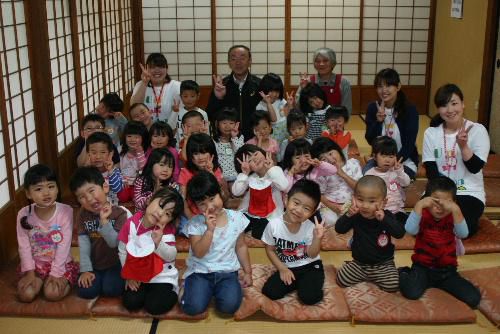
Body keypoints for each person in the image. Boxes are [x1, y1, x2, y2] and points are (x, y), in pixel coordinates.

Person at [399, 176, 481, 308]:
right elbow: (410, 230)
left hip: (447, 272)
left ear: (454, 203)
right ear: (427, 200)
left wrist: (455, 209)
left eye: (446, 203)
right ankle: (404, 272)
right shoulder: (423, 214)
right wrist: (419, 205)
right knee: (411, 292)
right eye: (435, 202)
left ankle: (440, 283)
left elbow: (463, 234)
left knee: (473, 299)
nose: (440, 208)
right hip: (422, 268)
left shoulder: (453, 216)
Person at [180, 171, 252, 316]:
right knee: (192, 307)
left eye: (212, 199)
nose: (210, 206)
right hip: (200, 272)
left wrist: (248, 271)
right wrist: (209, 231)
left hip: (227, 272)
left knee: (229, 307)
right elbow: (199, 253)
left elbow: (241, 246)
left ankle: (215, 290)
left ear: (220, 192)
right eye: (202, 204)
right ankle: (185, 288)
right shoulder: (195, 224)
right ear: (196, 206)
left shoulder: (236, 218)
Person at [422, 84, 490, 237]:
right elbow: (431, 170)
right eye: (444, 105)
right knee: (422, 223)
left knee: (464, 229)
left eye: (454, 103)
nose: (450, 110)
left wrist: (464, 146)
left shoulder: (477, 130)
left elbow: (475, 167)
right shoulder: (431, 133)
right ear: (439, 109)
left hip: (469, 191)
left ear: (463, 104)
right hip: (439, 190)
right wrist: (443, 198)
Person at [16, 164, 77, 302]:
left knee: (52, 294)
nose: (46, 193)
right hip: (36, 266)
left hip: (60, 264)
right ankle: (40, 282)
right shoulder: (23, 214)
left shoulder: (66, 211)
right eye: (38, 189)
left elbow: (64, 245)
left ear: (57, 188)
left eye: (51, 186)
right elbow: (23, 246)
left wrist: (56, 273)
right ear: (28, 193)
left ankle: (56, 282)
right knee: (26, 295)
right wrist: (30, 273)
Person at [118, 187, 184, 315]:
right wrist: (129, 275)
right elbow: (122, 251)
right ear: (149, 200)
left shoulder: (166, 230)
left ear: (170, 220)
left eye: (167, 214)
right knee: (131, 303)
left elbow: (171, 256)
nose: (160, 213)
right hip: (138, 275)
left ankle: (176, 291)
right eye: (160, 206)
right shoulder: (131, 223)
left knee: (154, 307)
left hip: (161, 276)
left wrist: (158, 243)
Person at [335, 175, 405, 292]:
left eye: (372, 201)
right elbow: (339, 229)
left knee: (393, 285)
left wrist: (384, 220)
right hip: (359, 264)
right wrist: (348, 215)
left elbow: (400, 233)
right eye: (360, 200)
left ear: (384, 202)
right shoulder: (355, 215)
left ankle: (392, 271)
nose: (365, 205)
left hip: (383, 264)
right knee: (342, 279)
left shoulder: (386, 216)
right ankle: (354, 268)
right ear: (354, 198)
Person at [261, 179, 325, 305]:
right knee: (270, 292)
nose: (299, 210)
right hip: (288, 267)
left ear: (312, 213)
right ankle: (299, 283)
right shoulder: (273, 225)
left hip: (310, 266)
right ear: (286, 200)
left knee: (310, 297)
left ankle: (306, 282)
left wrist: (317, 238)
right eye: (296, 203)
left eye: (306, 208)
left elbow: (312, 254)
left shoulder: (310, 227)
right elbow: (270, 250)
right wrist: (282, 268)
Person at [69, 166, 127, 300]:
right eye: (81, 197)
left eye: (91, 191)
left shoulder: (119, 213)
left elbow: (114, 243)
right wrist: (85, 270)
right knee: (86, 291)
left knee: (111, 289)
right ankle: (96, 278)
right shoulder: (83, 215)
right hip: (95, 265)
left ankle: (107, 280)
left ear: (105, 187)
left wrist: (104, 222)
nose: (89, 199)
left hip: (116, 263)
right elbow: (84, 246)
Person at [364, 68, 419, 179]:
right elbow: (370, 139)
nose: (384, 90)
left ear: (398, 86)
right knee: (366, 175)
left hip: (403, 160)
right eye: (380, 86)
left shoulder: (409, 110)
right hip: (379, 161)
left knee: (394, 178)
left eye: (388, 85)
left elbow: (409, 144)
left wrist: (392, 163)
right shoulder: (373, 108)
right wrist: (378, 121)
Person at [233, 144, 289, 239]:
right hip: (252, 214)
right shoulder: (251, 178)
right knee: (236, 224)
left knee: (263, 231)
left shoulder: (274, 171)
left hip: (271, 216)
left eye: (255, 154)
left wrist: (271, 168)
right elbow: (236, 192)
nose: (255, 159)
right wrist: (244, 174)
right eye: (250, 160)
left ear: (262, 152)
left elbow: (284, 186)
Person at [206, 45, 261, 141]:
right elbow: (210, 115)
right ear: (229, 62)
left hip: (254, 139)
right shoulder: (222, 85)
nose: (238, 62)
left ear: (250, 61)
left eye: (242, 58)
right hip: (227, 140)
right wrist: (218, 98)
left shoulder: (259, 85)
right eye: (233, 59)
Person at [311, 137, 362, 227]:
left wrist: (342, 174)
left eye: (331, 153)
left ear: (338, 150)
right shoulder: (322, 173)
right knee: (331, 221)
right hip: (331, 205)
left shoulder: (353, 164)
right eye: (323, 159)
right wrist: (332, 206)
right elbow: (320, 194)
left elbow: (360, 189)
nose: (330, 160)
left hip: (352, 203)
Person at [178, 133, 227, 218]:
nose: (200, 157)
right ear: (190, 156)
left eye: (204, 152)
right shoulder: (185, 173)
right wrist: (194, 222)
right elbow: (184, 202)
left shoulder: (216, 171)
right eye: (196, 153)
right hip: (194, 217)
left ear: (212, 153)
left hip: (216, 214)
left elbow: (224, 197)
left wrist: (211, 174)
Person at [365, 136, 411, 225]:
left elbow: (406, 183)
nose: (387, 160)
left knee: (408, 224)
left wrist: (399, 172)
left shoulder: (397, 171)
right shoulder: (369, 174)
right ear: (374, 156)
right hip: (380, 212)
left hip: (398, 211)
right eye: (383, 156)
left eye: (391, 156)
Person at [297, 47, 352, 116]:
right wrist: (302, 90)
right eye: (317, 61)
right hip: (312, 124)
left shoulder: (343, 82)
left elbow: (347, 109)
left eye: (325, 61)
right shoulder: (308, 81)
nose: (321, 64)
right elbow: (298, 108)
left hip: (336, 124)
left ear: (333, 63)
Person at [131, 53, 181, 122]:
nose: (157, 70)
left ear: (167, 68)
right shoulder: (141, 85)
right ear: (146, 69)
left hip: (170, 130)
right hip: (146, 130)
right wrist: (144, 83)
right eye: (152, 67)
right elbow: (133, 108)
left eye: (161, 67)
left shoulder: (176, 86)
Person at [133, 148, 178, 213]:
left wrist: (169, 193)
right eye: (162, 165)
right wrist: (155, 193)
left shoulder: (171, 185)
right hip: (142, 217)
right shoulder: (141, 180)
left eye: (170, 166)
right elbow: (138, 204)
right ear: (151, 165)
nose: (166, 170)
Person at [86, 132, 124, 206]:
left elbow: (117, 189)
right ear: (88, 154)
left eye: (103, 152)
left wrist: (110, 171)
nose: (98, 156)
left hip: (111, 208)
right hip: (92, 208)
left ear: (110, 154)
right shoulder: (87, 172)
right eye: (94, 153)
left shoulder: (114, 171)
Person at [168, 80, 209, 145]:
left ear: (198, 96)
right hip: (179, 147)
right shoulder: (177, 111)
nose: (189, 99)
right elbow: (170, 129)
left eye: (192, 96)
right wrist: (174, 112)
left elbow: (207, 133)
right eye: (185, 96)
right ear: (181, 96)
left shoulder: (203, 113)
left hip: (198, 146)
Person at [118, 121, 150, 203]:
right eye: (129, 136)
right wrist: (122, 180)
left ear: (143, 138)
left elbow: (143, 168)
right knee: (122, 197)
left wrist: (140, 153)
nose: (132, 140)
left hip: (138, 183)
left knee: (136, 198)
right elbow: (117, 168)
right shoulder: (120, 150)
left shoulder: (145, 151)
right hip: (124, 182)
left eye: (137, 137)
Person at [256, 73, 293, 143]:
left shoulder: (280, 100)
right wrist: (269, 103)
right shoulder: (260, 106)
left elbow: (289, 116)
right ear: (264, 89)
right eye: (271, 91)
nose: (275, 94)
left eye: (277, 91)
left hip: (287, 138)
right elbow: (274, 120)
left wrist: (290, 105)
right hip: (273, 141)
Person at [212, 107, 244, 183]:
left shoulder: (239, 138)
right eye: (224, 123)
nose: (227, 126)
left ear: (236, 124)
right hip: (220, 177)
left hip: (236, 175)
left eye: (231, 123)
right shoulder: (214, 141)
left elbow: (242, 153)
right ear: (217, 124)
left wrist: (234, 137)